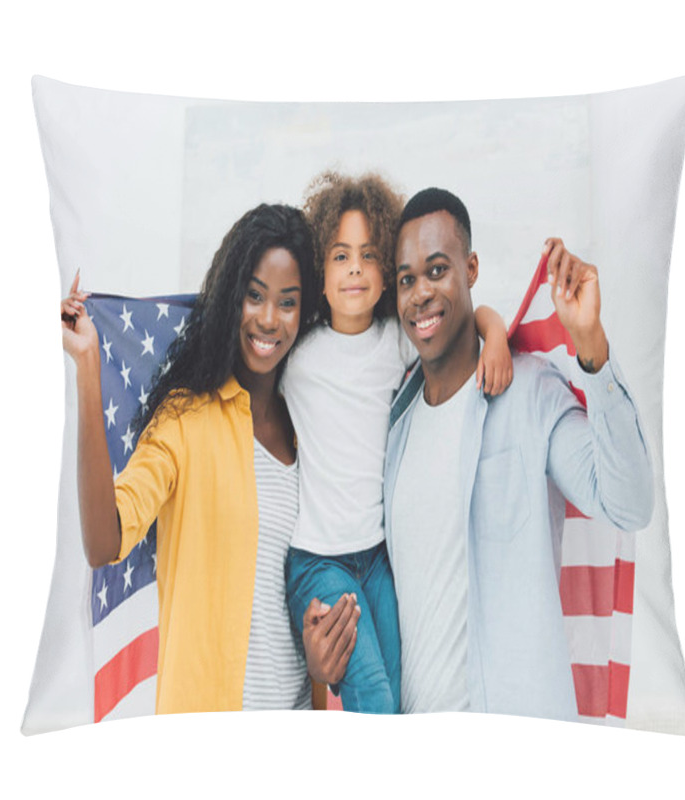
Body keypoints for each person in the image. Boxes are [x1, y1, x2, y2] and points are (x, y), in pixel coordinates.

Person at [60, 203, 359, 715]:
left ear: (305, 311)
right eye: (255, 296)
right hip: (204, 739)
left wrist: (320, 661)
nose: (269, 319)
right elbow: (103, 541)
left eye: (287, 303)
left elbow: (303, 589)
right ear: (230, 297)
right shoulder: (184, 419)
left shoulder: (311, 428)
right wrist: (88, 366)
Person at [384, 188, 654, 721]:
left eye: (437, 271)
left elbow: (629, 503)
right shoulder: (396, 425)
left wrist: (590, 344)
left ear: (471, 268)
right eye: (407, 279)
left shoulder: (528, 393)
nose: (420, 293)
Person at [281, 172, 513, 713]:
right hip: (320, 560)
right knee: (375, 699)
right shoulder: (298, 356)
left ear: (389, 271)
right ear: (320, 273)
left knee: (403, 693)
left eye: (368, 254)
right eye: (340, 256)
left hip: (377, 559)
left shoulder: (398, 343)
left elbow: (469, 320)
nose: (355, 268)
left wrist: (496, 335)